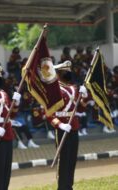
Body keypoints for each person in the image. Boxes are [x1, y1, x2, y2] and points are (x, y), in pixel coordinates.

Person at [46, 62, 88, 190]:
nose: (68, 73)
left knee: (71, 159)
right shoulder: (53, 90)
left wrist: (84, 96)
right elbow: (48, 113)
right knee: (63, 160)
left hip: (73, 126)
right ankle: (62, 187)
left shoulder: (74, 88)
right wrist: (60, 125)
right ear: (58, 74)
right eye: (65, 71)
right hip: (62, 128)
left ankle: (69, 186)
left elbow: (80, 108)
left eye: (68, 71)